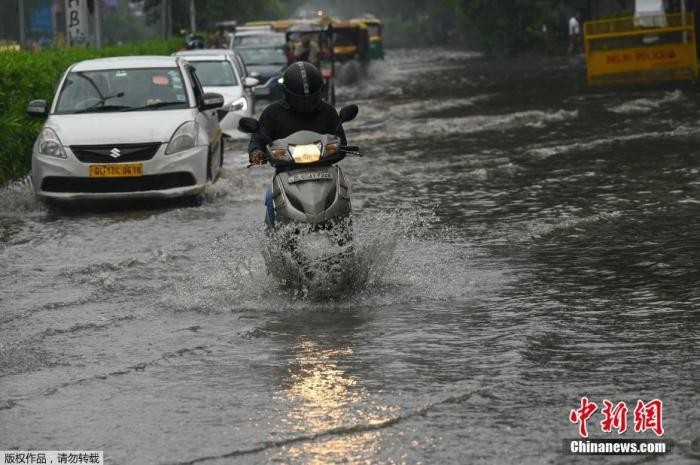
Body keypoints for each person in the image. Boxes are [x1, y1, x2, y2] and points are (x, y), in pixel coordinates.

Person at [248, 61, 347, 226]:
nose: (306, 104)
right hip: (286, 172)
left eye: (311, 99)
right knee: (271, 201)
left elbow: (341, 142)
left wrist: (337, 149)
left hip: (325, 172)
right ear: (287, 94)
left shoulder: (328, 112)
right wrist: (256, 151)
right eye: (301, 100)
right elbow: (259, 136)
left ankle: (346, 234)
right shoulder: (272, 113)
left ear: (319, 93)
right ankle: (275, 237)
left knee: (344, 194)